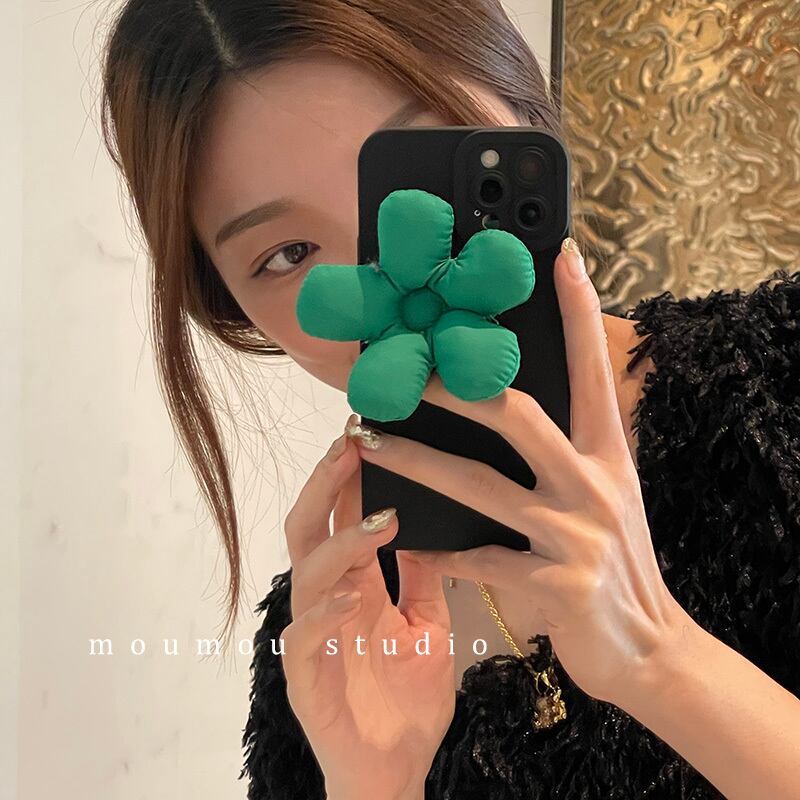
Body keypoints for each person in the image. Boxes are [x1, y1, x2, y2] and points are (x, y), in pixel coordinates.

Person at [97, 1, 800, 798]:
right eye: (290, 253)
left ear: (521, 106)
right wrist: (377, 786)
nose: (389, 280)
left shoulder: (779, 387)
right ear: (232, 307)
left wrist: (659, 656)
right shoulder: (332, 639)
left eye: (416, 183)